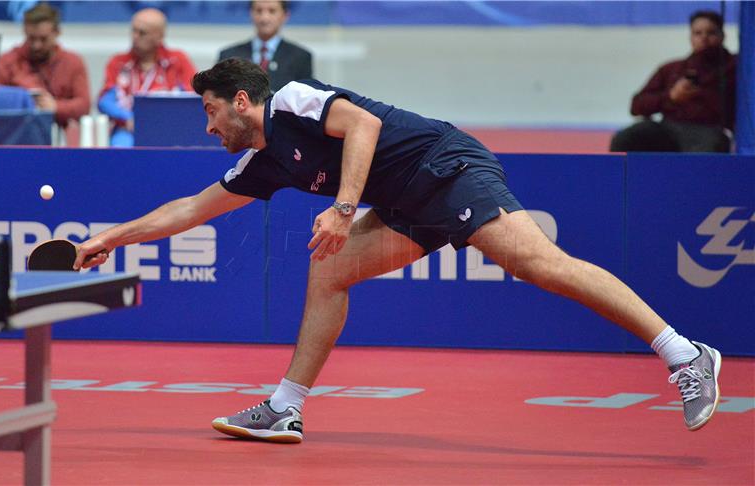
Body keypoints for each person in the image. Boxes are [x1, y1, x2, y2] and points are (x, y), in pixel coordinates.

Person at [74, 58, 722, 443]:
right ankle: (285, 410)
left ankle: (686, 355)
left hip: (444, 168)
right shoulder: (260, 161)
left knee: (537, 264)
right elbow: (190, 209)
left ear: (242, 101)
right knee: (330, 268)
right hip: (405, 203)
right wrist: (109, 236)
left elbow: (364, 125)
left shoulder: (293, 103)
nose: (208, 124)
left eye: (212, 111)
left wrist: (345, 207)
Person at [611, 10, 737, 153]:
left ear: (722, 36)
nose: (704, 38)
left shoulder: (736, 67)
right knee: (626, 138)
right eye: (698, 33)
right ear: (690, 37)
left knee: (710, 147)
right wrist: (671, 97)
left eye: (711, 33)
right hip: (668, 128)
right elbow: (637, 105)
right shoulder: (672, 69)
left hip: (707, 129)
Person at [98, 8, 196, 147]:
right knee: (121, 151)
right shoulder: (118, 63)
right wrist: (129, 118)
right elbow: (104, 101)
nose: (135, 37)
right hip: (128, 130)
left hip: (170, 131)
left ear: (159, 36)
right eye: (133, 30)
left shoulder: (178, 61)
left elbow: (192, 99)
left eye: (142, 33)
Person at [0, 2, 90, 127]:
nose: (36, 45)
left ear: (57, 33)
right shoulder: (7, 61)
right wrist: (22, 101)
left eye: (43, 39)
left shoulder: (73, 62)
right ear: (24, 31)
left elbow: (84, 105)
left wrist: (56, 107)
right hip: (16, 131)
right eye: (31, 38)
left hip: (59, 134)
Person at [218, 0, 312, 93]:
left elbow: (305, 100)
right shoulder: (229, 56)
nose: (264, 18)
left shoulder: (300, 58)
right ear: (251, 13)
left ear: (285, 15)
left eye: (272, 11)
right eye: (259, 11)